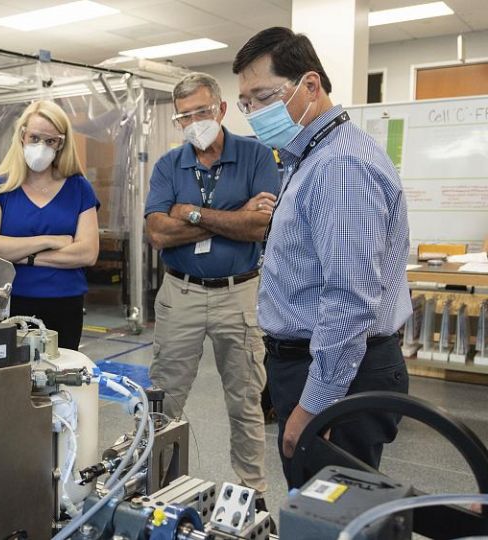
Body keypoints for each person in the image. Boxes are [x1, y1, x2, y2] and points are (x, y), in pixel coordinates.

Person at [233, 27, 411, 486]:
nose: (253, 114)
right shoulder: (310, 156)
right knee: (328, 507)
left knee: (328, 514)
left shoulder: (341, 166)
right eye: (246, 103)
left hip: (336, 375)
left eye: (262, 97)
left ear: (310, 86)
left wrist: (315, 405)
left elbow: (350, 301)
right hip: (320, 366)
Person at [144, 72, 280, 506]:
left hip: (238, 293)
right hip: (180, 293)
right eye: (184, 116)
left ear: (221, 110)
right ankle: (157, 487)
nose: (194, 122)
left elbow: (261, 225)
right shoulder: (169, 165)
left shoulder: (257, 156)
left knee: (245, 401)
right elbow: (158, 233)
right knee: (165, 401)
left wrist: (194, 215)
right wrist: (232, 216)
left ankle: (252, 493)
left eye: (201, 111)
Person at [0, 100, 99, 350]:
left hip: (65, 303)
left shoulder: (79, 188)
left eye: (51, 141)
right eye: (35, 137)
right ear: (22, 136)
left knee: (59, 376)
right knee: (14, 380)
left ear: (61, 143)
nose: (41, 146)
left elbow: (87, 253)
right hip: (10, 301)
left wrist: (21, 256)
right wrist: (49, 240)